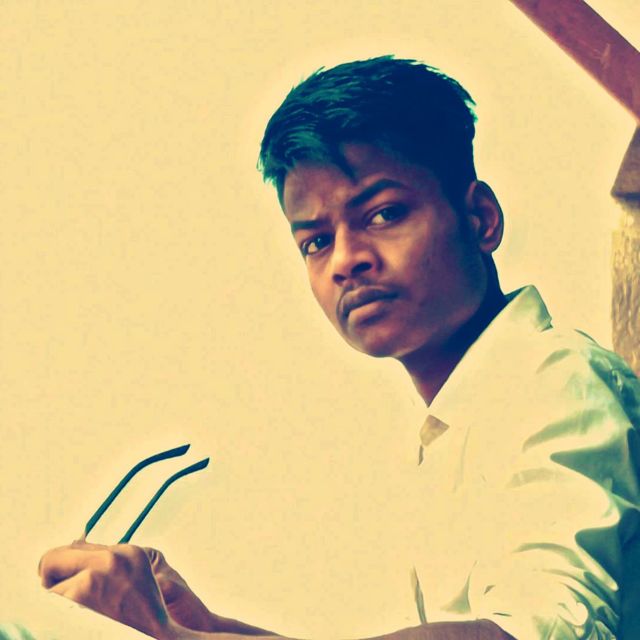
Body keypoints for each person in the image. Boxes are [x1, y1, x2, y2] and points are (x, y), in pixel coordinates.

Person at [38, 57, 640, 640]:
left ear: (480, 219)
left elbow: (544, 631)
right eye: (316, 241)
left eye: (383, 214)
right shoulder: (461, 422)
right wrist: (203, 627)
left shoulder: (555, 383)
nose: (346, 260)